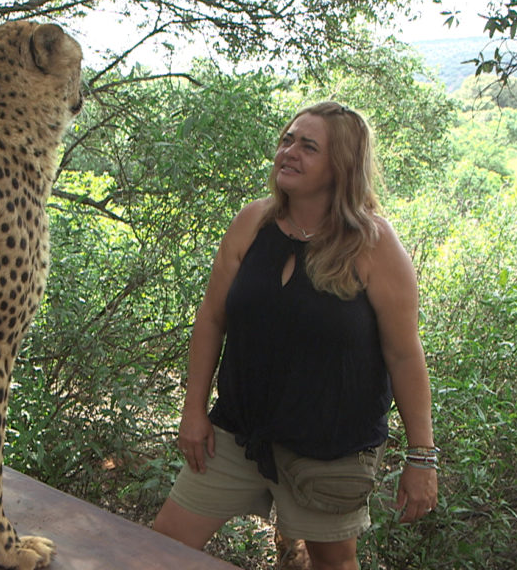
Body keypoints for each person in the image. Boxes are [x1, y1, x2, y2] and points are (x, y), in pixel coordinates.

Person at [152, 101, 438, 570]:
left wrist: (422, 458)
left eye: (308, 147)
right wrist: (193, 410)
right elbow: (211, 318)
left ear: (341, 165)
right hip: (237, 435)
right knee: (158, 551)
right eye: (287, 140)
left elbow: (404, 355)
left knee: (333, 564)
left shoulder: (373, 244)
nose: (289, 152)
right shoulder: (253, 222)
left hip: (329, 452)